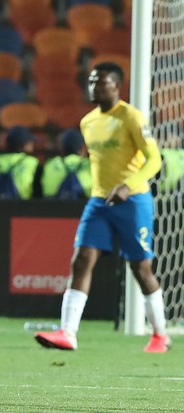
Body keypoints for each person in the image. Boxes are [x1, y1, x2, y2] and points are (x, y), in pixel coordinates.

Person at [34, 62, 170, 353]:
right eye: (92, 80)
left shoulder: (131, 117)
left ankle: (160, 334)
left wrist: (127, 185)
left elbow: (154, 160)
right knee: (81, 259)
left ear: (116, 85)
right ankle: (67, 333)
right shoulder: (88, 122)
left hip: (133, 200)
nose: (94, 85)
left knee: (140, 268)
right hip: (99, 201)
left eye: (101, 81)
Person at [0, 126, 39, 199]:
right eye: (30, 143)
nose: (32, 147)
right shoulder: (32, 162)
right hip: (21, 208)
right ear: (24, 145)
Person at [38, 128, 91, 199]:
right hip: (84, 207)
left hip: (53, 207)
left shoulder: (50, 164)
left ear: (62, 148)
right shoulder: (90, 164)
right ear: (82, 148)